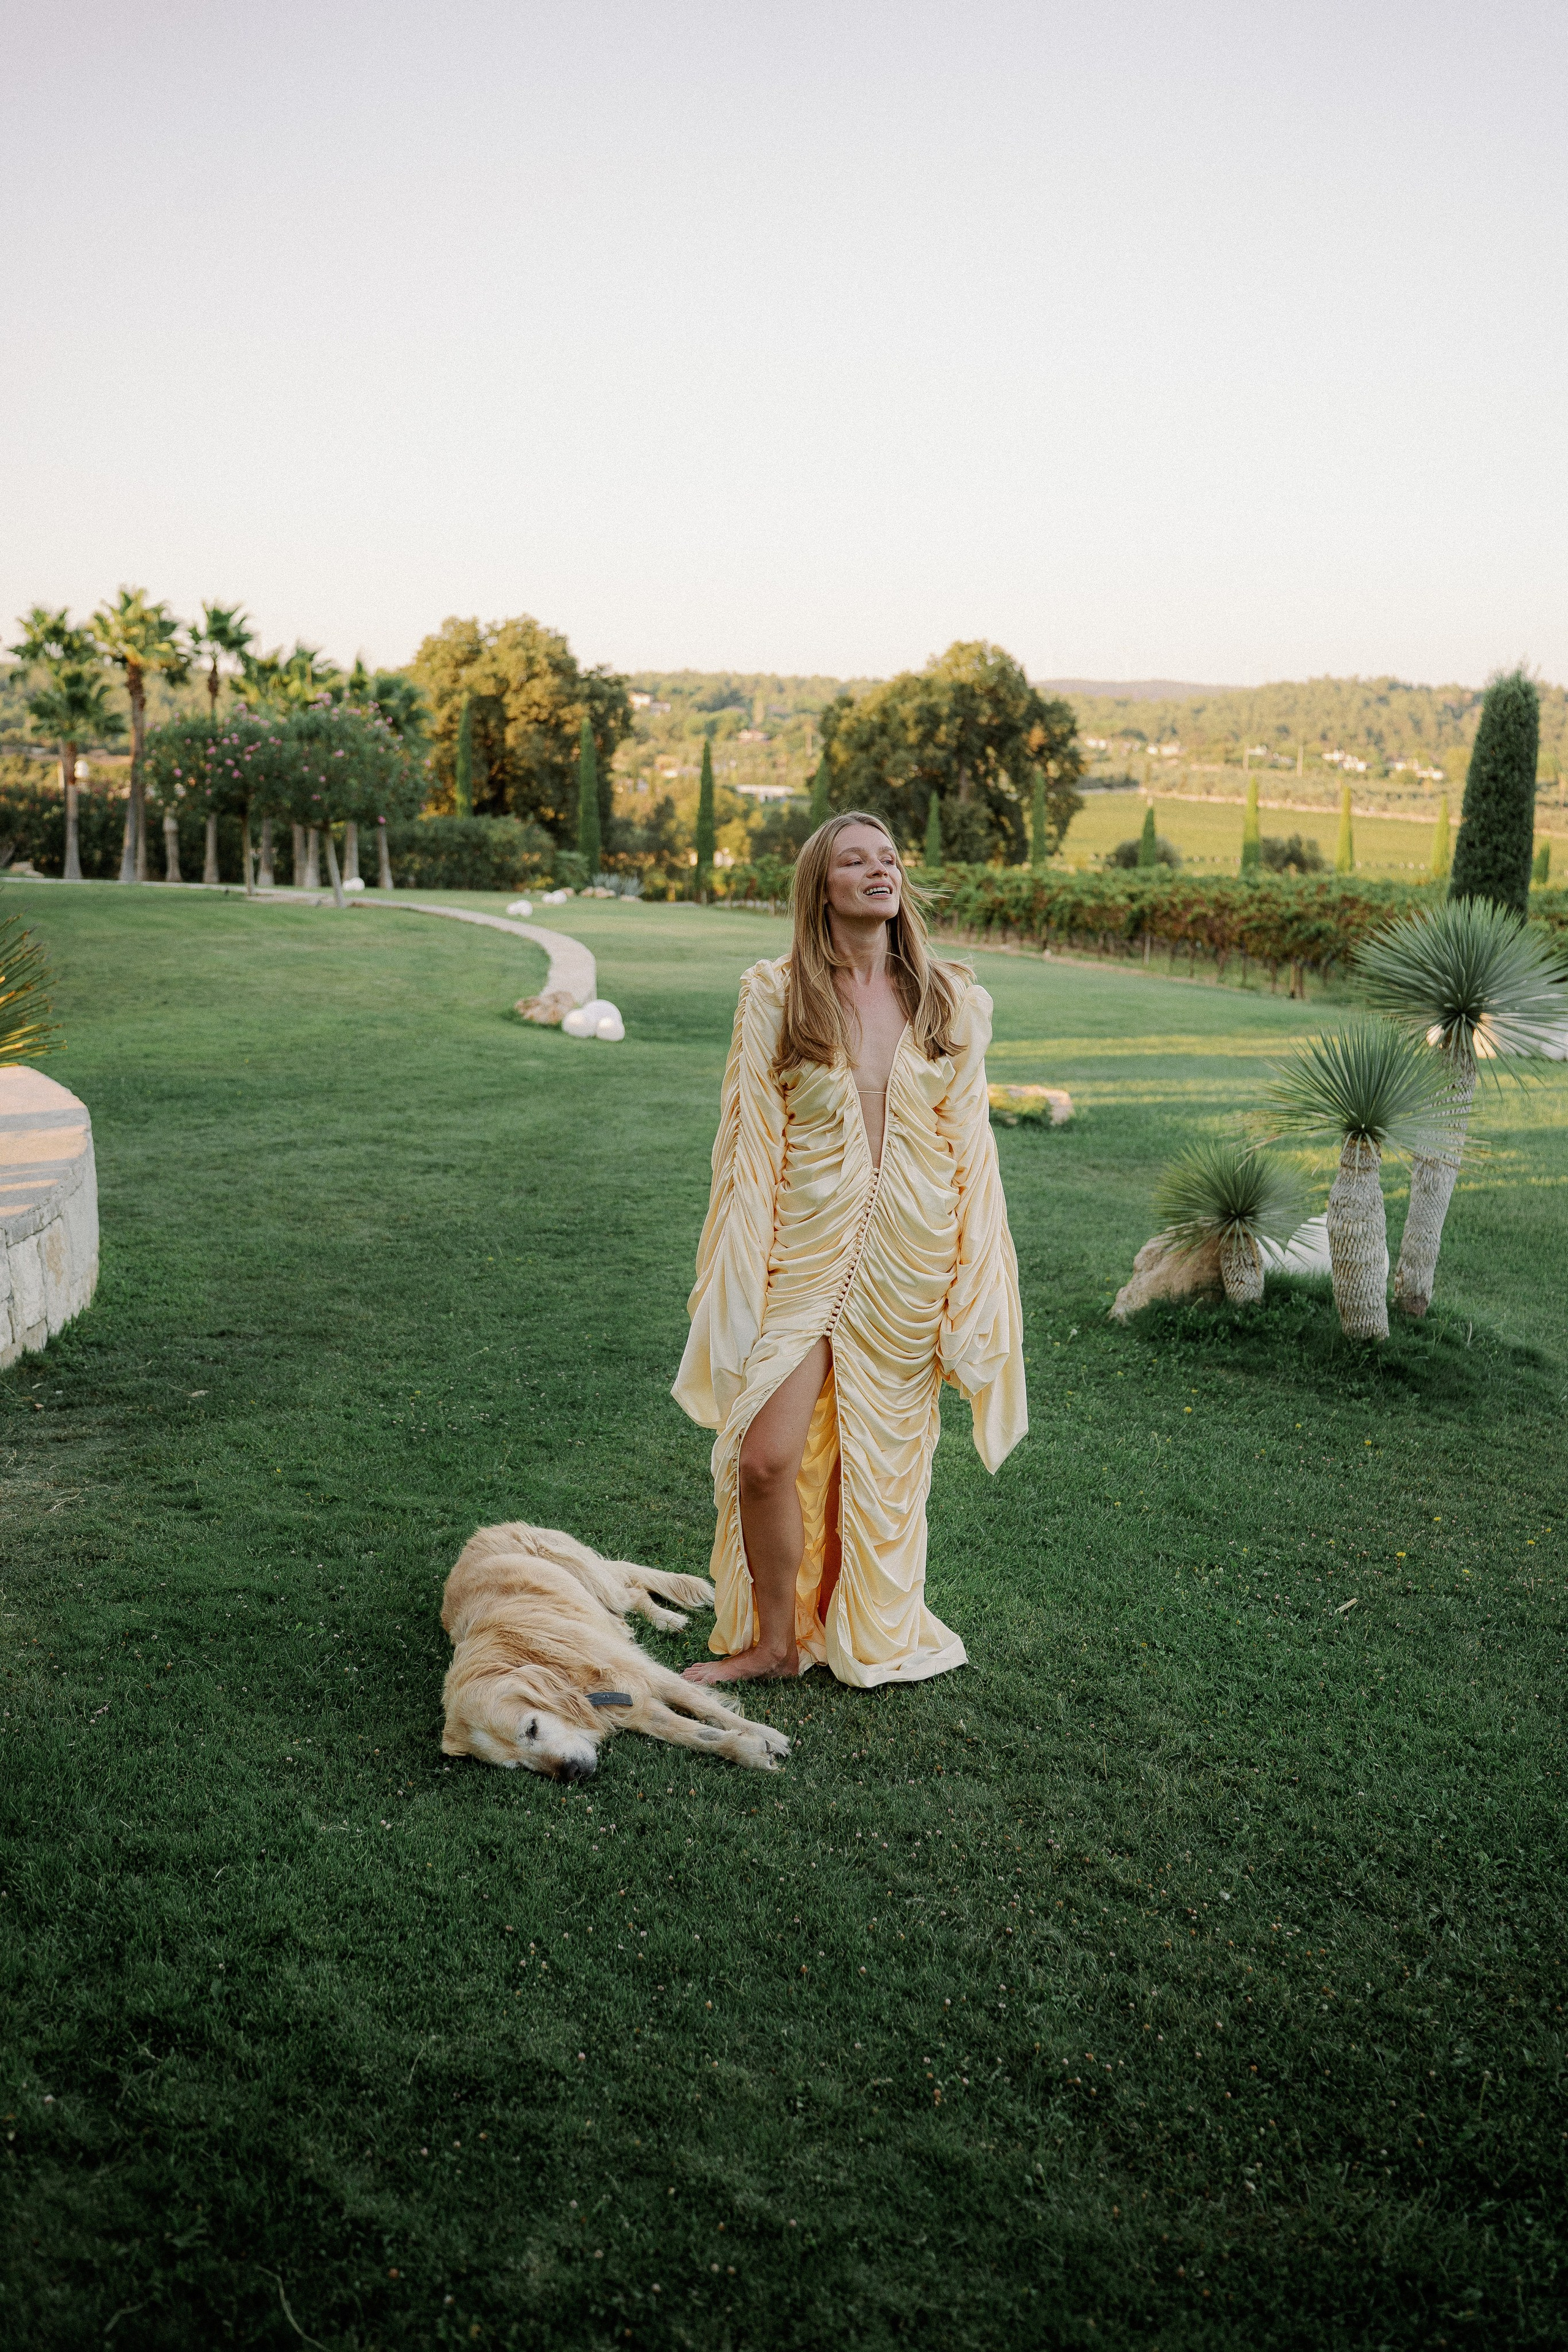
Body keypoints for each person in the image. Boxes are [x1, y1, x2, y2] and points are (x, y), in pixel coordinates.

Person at [673, 810, 1027, 1687]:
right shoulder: (775, 992)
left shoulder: (950, 997)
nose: (880, 870)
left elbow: (972, 1153)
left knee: (878, 1462)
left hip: (911, 1257)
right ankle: (773, 1644)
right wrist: (741, 1273)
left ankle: (843, 1625)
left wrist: (970, 1286)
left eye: (890, 858)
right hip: (806, 1250)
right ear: (821, 888)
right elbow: (752, 1143)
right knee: (766, 1458)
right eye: (855, 860)